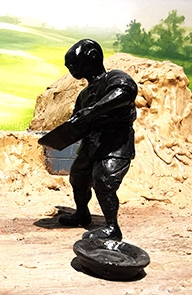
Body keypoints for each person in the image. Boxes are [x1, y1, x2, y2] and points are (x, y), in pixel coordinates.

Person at [57, 39, 138, 240]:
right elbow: (79, 121)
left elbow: (126, 92)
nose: (70, 69)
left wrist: (92, 112)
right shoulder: (84, 94)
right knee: (78, 178)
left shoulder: (114, 77)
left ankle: (112, 227)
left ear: (92, 56)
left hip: (115, 143)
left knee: (104, 181)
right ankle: (82, 214)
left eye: (73, 63)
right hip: (91, 144)